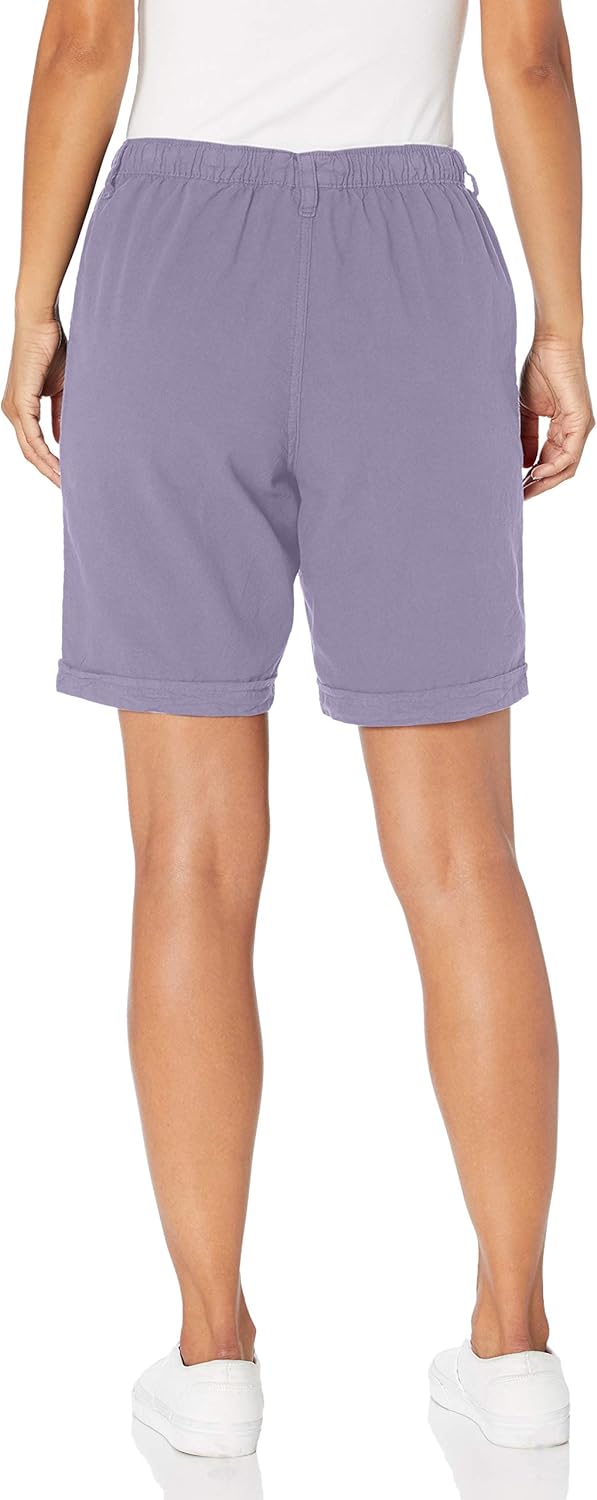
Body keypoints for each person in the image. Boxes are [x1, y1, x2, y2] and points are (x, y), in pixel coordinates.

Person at [2, 0, 592, 1460]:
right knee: (463, 854)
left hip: (174, 266)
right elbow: (525, 56)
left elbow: (83, 46)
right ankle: (515, 1341)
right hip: (415, 270)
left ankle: (213, 1357)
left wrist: (34, 307)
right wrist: (561, 326)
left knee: (190, 857)